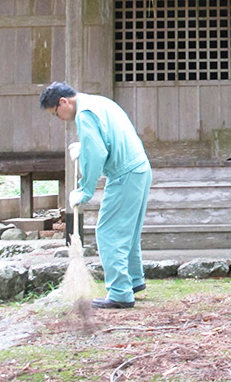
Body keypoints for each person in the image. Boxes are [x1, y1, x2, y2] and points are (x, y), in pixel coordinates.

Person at [40, 82, 152, 309]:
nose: (59, 119)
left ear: (64, 102)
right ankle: (133, 280)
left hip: (125, 174)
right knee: (127, 231)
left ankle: (121, 292)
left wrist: (84, 189)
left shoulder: (85, 114)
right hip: (140, 168)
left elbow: (97, 153)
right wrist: (84, 146)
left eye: (55, 114)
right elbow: (104, 140)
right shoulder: (99, 101)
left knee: (109, 231)